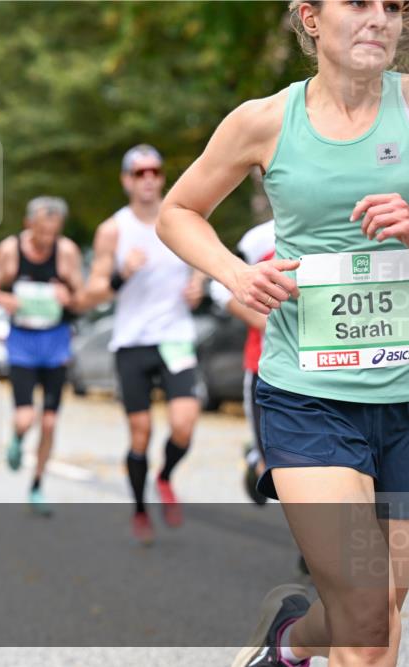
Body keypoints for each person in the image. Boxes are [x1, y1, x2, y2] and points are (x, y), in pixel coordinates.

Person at [157, 2, 408, 664]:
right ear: (312, 19)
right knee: (366, 614)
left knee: (381, 606)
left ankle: (289, 642)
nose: (380, 18)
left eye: (395, 7)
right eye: (359, 3)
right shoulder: (265, 120)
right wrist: (235, 274)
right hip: (309, 395)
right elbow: (178, 211)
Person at [80, 144, 207, 544]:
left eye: (154, 171)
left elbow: (205, 262)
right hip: (132, 343)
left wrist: (198, 287)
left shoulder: (182, 218)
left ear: (162, 177)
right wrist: (121, 274)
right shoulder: (113, 230)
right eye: (139, 173)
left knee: (185, 424)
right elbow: (91, 294)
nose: (148, 178)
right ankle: (139, 509)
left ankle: (165, 476)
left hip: (175, 337)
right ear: (126, 181)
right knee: (140, 433)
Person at [0, 196, 84, 516]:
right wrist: (5, 299)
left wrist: (69, 297)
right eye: (41, 232)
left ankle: (37, 485)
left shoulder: (66, 252)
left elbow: (82, 298)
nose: (46, 240)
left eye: (52, 233)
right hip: (22, 344)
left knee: (50, 423)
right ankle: (17, 439)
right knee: (26, 418)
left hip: (56, 344)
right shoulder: (10, 251)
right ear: (29, 225)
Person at [209, 219, 276, 505]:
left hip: (336, 370)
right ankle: (256, 461)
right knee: (278, 471)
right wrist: (262, 321)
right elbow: (219, 286)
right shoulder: (259, 239)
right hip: (267, 369)